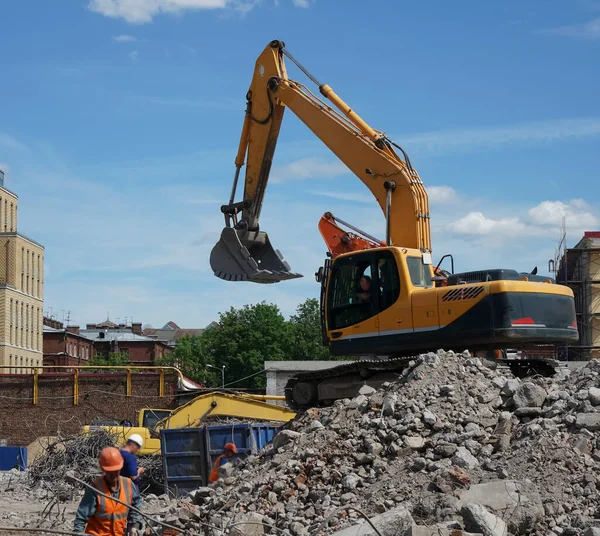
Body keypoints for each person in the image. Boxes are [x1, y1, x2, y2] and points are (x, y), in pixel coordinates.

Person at [74, 446, 143, 536]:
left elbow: (136, 506)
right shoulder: (95, 488)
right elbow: (81, 517)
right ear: (103, 469)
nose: (113, 475)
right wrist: (77, 533)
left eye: (116, 471)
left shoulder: (128, 484)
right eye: (110, 471)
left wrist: (134, 525)